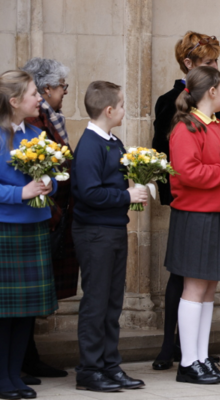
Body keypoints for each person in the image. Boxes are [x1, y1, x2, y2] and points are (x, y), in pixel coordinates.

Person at [166, 66, 220, 385]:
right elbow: (189, 173)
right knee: (194, 288)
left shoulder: (216, 124)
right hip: (195, 214)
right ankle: (188, 362)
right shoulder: (186, 128)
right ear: (211, 91)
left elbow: (218, 163)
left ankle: (202, 358)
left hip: (214, 212)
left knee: (208, 288)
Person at [151, 32, 220, 371]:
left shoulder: (211, 113)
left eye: (215, 63)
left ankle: (197, 352)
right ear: (189, 65)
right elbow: (176, 157)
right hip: (190, 200)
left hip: (211, 200)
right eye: (209, 64)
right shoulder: (177, 107)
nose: (215, 69)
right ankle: (175, 350)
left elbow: (214, 145)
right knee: (185, 280)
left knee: (203, 284)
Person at [71, 81, 148, 392]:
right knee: (96, 302)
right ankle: (89, 371)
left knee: (113, 303)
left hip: (113, 229)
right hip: (94, 233)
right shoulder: (90, 145)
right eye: (122, 104)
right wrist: (126, 196)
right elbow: (88, 193)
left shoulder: (113, 142)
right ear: (109, 110)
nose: (124, 110)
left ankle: (110, 365)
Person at [0, 70, 58, 400]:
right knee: (3, 311)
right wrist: (19, 194)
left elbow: (56, 174)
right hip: (6, 228)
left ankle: (13, 374)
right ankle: (2, 376)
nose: (40, 98)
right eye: (34, 93)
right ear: (14, 101)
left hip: (34, 226)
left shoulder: (37, 134)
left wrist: (52, 183)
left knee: (25, 310)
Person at [20, 57, 77, 381]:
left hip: (52, 212)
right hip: (37, 214)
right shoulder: (33, 123)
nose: (64, 92)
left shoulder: (50, 118)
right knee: (22, 295)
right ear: (43, 89)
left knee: (34, 295)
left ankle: (29, 357)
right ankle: (20, 362)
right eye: (61, 87)